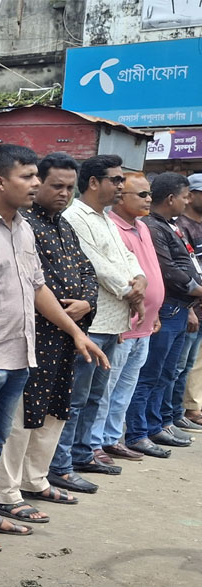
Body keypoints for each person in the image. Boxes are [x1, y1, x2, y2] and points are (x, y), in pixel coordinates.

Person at [0, 144, 108, 554]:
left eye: (37, 176)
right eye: (27, 176)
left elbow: (38, 288)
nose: (36, 184)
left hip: (20, 353)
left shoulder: (23, 229)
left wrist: (75, 332)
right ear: (1, 182)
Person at [0, 153, 100, 526]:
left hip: (68, 338)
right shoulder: (24, 226)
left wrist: (88, 301)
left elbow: (86, 269)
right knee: (21, 415)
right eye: (56, 185)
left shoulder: (65, 228)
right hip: (33, 335)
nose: (63, 193)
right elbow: (35, 283)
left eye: (70, 187)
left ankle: (35, 480)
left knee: (55, 411)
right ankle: (5, 491)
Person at [53, 155, 148, 484]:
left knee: (94, 396)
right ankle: (61, 465)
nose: (122, 186)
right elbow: (94, 265)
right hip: (91, 323)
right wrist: (129, 291)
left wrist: (140, 280)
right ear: (94, 183)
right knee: (76, 397)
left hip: (113, 321)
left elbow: (127, 257)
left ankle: (81, 454)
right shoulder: (76, 216)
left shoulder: (105, 218)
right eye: (116, 180)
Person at [126, 173, 202, 456]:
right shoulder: (153, 228)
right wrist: (197, 290)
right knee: (151, 375)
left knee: (168, 372)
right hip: (168, 308)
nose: (186, 202)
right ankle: (138, 432)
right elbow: (170, 272)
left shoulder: (167, 227)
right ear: (172, 198)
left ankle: (157, 424)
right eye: (184, 196)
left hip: (179, 309)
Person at [94, 173, 166, 460]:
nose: (149, 200)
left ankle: (112, 438)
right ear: (121, 197)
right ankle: (94, 444)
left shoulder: (142, 227)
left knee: (126, 387)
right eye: (143, 195)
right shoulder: (112, 227)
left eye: (149, 194)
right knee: (105, 390)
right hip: (123, 323)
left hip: (145, 323)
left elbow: (149, 271)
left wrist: (155, 311)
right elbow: (116, 277)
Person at [167, 172, 202, 433]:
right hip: (186, 307)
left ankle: (179, 412)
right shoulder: (179, 226)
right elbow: (179, 273)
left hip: (195, 306)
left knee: (189, 363)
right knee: (176, 366)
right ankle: (174, 413)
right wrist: (190, 309)